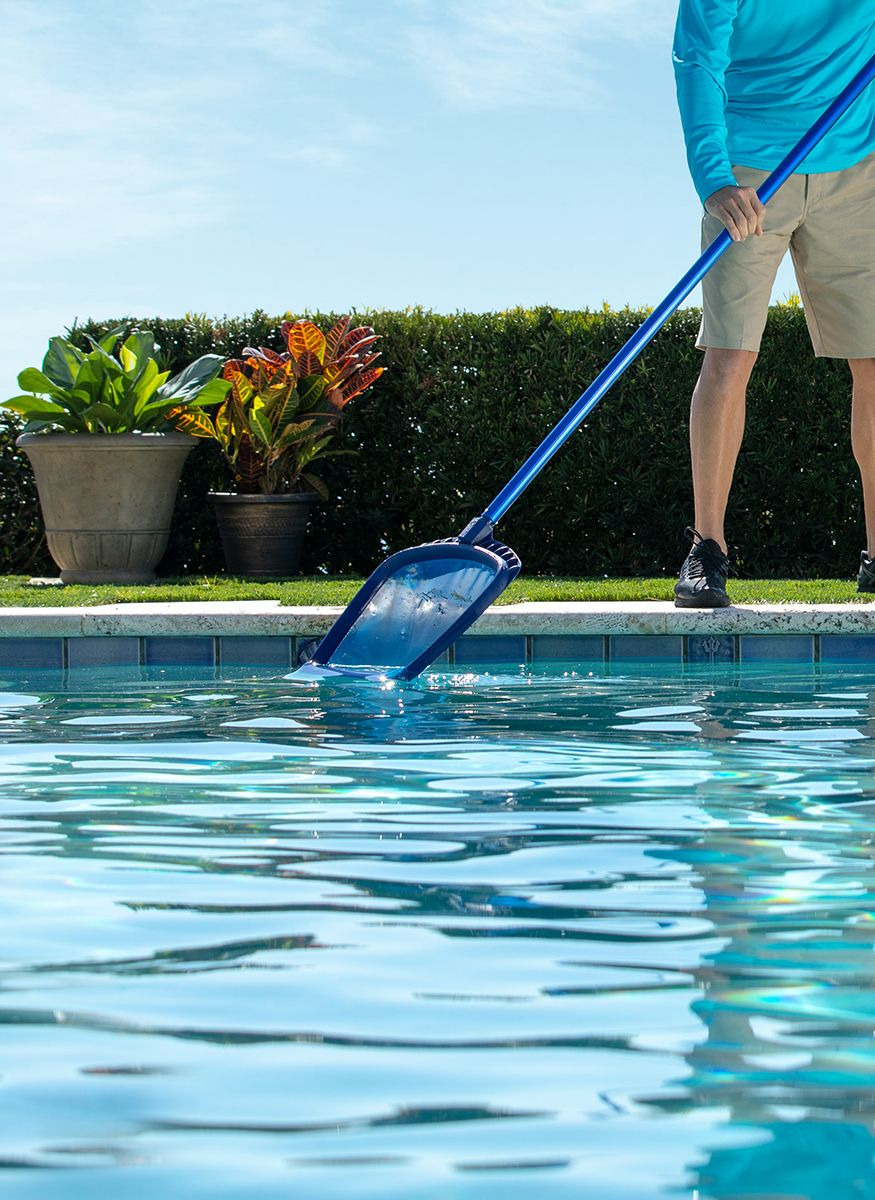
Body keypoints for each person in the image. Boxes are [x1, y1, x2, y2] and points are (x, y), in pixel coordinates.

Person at [672, 1, 875, 607]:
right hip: (749, 170)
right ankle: (706, 549)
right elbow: (698, 60)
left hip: (858, 167)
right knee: (729, 356)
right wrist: (713, 178)